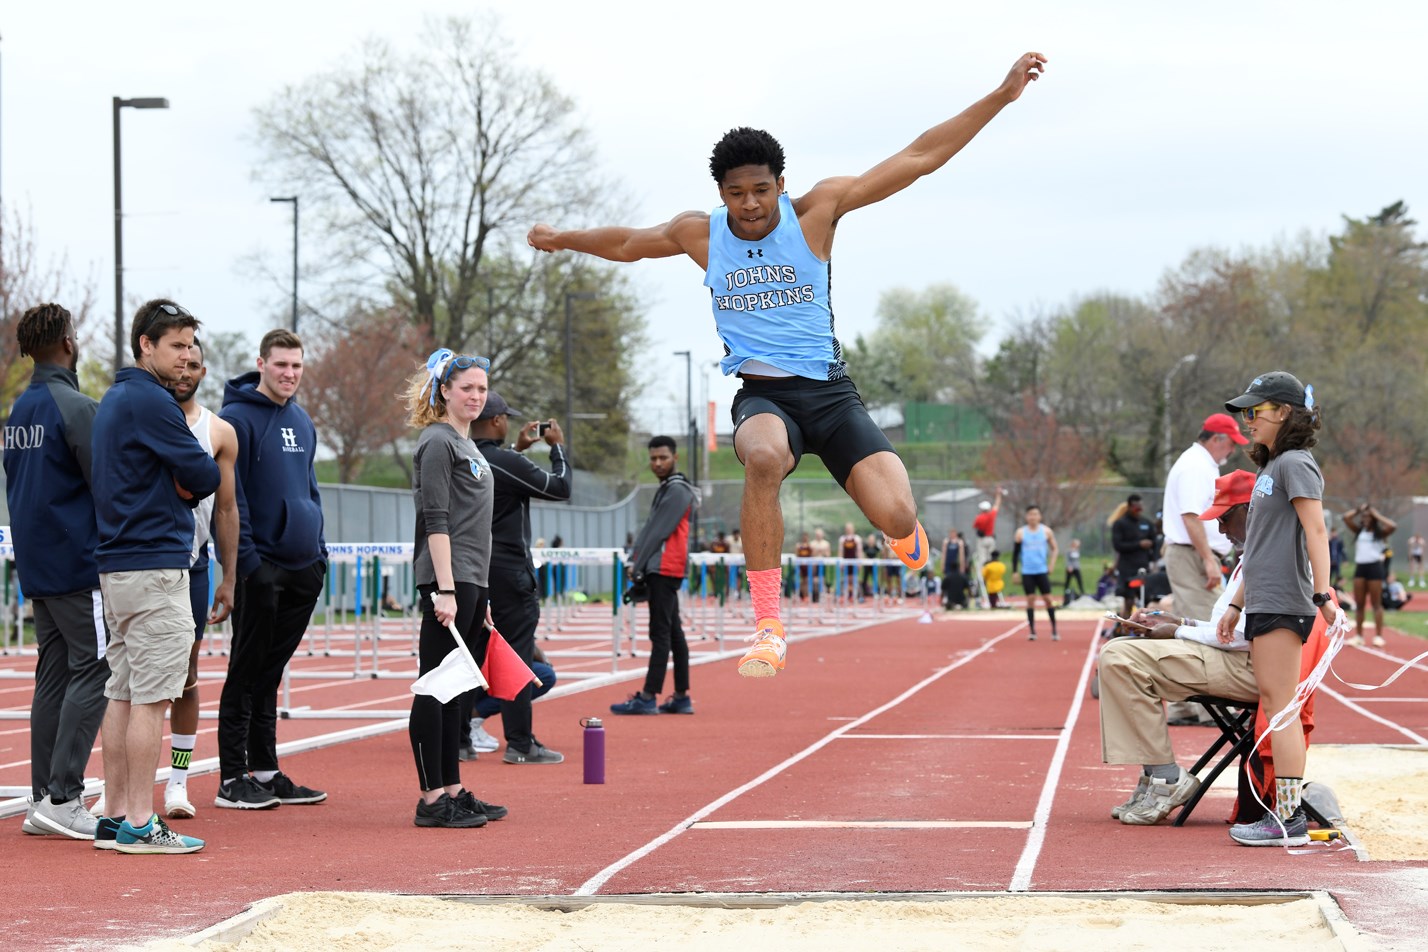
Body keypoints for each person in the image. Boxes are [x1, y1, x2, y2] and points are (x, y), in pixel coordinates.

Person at [528, 53, 1048, 676]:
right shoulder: (701, 233)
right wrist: (562, 239)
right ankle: (769, 625)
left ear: (780, 183)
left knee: (897, 514)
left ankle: (904, 534)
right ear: (720, 194)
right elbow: (626, 244)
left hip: (831, 395)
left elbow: (918, 155)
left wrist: (1000, 96)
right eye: (736, 194)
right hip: (763, 395)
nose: (749, 206)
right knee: (765, 458)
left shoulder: (816, 213)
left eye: (760, 190)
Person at [92, 299, 220, 854]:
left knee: (121, 694)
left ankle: (115, 813)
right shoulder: (151, 401)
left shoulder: (116, 397)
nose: (187, 355)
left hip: (119, 566)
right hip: (155, 565)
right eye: (177, 345)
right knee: (150, 698)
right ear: (146, 344)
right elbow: (204, 471)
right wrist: (186, 477)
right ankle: (142, 823)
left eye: (191, 345)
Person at [1100, 470, 1257, 825]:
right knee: (1120, 653)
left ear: (1252, 509)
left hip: (1249, 669)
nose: (1219, 530)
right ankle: (1158, 773)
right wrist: (1177, 623)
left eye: (1225, 518)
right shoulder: (1251, 557)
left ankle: (1164, 776)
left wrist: (1177, 632)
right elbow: (1230, 628)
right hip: (1234, 659)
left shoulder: (1269, 559)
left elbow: (1242, 635)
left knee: (1121, 657)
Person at [6, 303, 110, 841]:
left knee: (52, 676)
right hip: (78, 563)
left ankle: (41, 797)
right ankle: (65, 796)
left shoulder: (18, 412)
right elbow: (107, 487)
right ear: (68, 342)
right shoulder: (76, 407)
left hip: (38, 565)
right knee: (95, 668)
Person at [1220, 370, 1336, 847]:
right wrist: (1234, 603)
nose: (1248, 421)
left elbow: (1317, 530)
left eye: (1255, 411)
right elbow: (1259, 548)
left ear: (1284, 412)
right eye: (1244, 412)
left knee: (1281, 709)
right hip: (1263, 601)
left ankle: (1287, 820)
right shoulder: (1272, 467)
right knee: (1275, 705)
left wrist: (1323, 593)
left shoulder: (1296, 463)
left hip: (1287, 602)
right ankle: (1284, 817)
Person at [214, 329, 328, 810]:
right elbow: (230, 497)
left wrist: (320, 552)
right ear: (261, 363)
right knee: (246, 668)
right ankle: (230, 777)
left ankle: (264, 768)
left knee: (272, 671)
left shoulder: (302, 420)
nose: (289, 374)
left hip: (305, 567)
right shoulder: (235, 419)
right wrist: (249, 564)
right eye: (281, 364)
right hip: (261, 569)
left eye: (297, 366)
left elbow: (310, 488)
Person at [405, 348, 509, 828]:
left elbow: (477, 526)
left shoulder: (468, 446)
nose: (475, 396)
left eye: (482, 389)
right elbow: (437, 519)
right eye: (466, 387)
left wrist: (481, 595)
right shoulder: (437, 442)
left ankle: (452, 788)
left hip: (471, 579)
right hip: (447, 579)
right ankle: (431, 800)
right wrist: (445, 589)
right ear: (444, 390)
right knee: (434, 687)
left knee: (456, 691)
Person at [468, 390, 571, 765]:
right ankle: (520, 743)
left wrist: (517, 449)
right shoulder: (500, 459)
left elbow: (498, 475)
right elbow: (560, 487)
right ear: (496, 421)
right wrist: (556, 448)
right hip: (508, 570)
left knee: (471, 653)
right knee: (514, 656)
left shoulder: (461, 456)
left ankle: (460, 738)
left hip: (470, 569)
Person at [162, 339, 240, 819]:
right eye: (179, 362)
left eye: (194, 364)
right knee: (130, 682)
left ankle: (176, 782)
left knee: (186, 677)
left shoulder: (219, 430)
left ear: (204, 371)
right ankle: (120, 786)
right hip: (145, 562)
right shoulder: (143, 419)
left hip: (193, 564)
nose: (185, 370)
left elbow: (227, 508)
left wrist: (228, 577)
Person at [611, 436, 698, 715]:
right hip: (663, 566)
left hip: (664, 567)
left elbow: (658, 530)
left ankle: (649, 696)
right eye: (653, 459)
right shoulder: (670, 488)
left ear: (675, 458)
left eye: (663, 457)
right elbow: (653, 529)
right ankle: (682, 696)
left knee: (660, 633)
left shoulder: (677, 490)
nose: (657, 463)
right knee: (673, 633)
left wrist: (636, 564)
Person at [1343, 503, 1396, 648]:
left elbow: (1393, 526)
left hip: (1375, 568)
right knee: (1359, 604)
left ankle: (1378, 636)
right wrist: (1359, 509)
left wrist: (1376, 514)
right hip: (1361, 568)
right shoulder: (1359, 531)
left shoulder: (1380, 534)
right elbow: (1346, 518)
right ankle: (1359, 636)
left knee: (1376, 604)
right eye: (1364, 516)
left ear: (1373, 518)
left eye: (1368, 516)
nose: (1365, 518)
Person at [1012, 505, 1059, 640]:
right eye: (1030, 514)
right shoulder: (1021, 533)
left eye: (1035, 514)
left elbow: (1055, 549)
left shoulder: (1046, 531)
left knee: (1048, 599)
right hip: (1027, 571)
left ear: (1040, 516)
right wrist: (1015, 571)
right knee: (1030, 600)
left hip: (1041, 570)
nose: (1033, 517)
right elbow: (1015, 554)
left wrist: (1051, 565)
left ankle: (1054, 630)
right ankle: (1032, 631)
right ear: (1027, 517)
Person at [1110, 494, 1157, 618]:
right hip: (1127, 568)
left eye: (1140, 507)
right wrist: (1138, 544)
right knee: (1129, 600)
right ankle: (1126, 629)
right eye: (1136, 508)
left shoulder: (1146, 523)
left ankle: (1147, 627)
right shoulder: (1120, 524)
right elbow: (1118, 545)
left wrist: (1153, 559)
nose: (1139, 511)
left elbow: (1155, 543)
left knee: (1147, 600)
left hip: (1144, 567)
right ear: (1130, 507)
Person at [972, 487, 1005, 573]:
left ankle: (981, 575)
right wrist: (999, 495)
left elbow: (975, 526)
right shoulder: (991, 515)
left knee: (982, 558)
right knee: (990, 558)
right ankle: (990, 573)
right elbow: (997, 505)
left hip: (982, 539)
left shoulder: (979, 517)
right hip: (990, 538)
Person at [942, 529, 969, 610]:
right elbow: (944, 554)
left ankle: (958, 598)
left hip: (955, 565)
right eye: (951, 533)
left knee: (957, 581)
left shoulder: (959, 542)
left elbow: (961, 555)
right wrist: (942, 564)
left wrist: (962, 566)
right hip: (948, 564)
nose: (952, 535)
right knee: (947, 581)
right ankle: (947, 598)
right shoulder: (946, 542)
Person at [838, 522, 862, 602]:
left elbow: (859, 551)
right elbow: (840, 552)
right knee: (846, 579)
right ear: (845, 529)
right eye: (847, 528)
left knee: (854, 579)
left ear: (853, 529)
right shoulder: (842, 539)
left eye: (850, 528)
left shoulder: (857, 539)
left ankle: (855, 596)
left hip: (854, 562)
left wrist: (859, 562)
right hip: (845, 562)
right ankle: (847, 595)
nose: (848, 530)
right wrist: (840, 563)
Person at [1063, 538, 1084, 603]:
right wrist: (1069, 566)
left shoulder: (1077, 551)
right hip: (1070, 569)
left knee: (1079, 580)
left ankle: (1082, 592)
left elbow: (1077, 560)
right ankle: (1066, 593)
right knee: (1067, 582)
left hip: (1076, 568)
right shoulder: (1069, 551)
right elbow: (1067, 560)